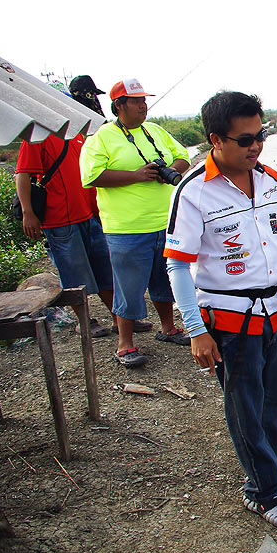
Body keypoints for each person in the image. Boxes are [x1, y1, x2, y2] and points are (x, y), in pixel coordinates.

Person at [165, 91, 277, 529]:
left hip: (274, 310)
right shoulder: (194, 191)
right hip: (229, 320)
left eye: (260, 136)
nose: (256, 146)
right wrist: (195, 329)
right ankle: (261, 493)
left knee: (274, 400)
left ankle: (270, 467)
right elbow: (177, 266)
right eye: (245, 140)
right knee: (245, 406)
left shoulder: (271, 179)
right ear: (216, 140)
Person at [80, 78, 191, 367]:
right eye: (136, 100)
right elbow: (91, 177)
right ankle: (125, 344)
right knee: (128, 286)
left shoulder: (154, 130)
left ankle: (168, 329)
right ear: (119, 105)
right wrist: (137, 176)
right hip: (126, 228)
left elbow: (183, 156)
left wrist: (170, 170)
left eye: (144, 99)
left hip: (164, 223)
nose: (143, 105)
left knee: (164, 279)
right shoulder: (100, 138)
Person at [15, 76, 115, 337]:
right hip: (60, 220)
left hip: (88, 216)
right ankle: (86, 322)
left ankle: (120, 317)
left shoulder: (79, 136)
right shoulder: (37, 137)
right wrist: (28, 212)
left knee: (105, 270)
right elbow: (22, 174)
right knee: (73, 275)